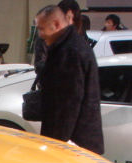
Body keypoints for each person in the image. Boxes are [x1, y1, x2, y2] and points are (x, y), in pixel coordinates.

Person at [34, 5, 104, 154]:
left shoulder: (70, 51)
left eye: (42, 28)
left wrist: (57, 144)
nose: (40, 34)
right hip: (76, 139)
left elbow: (69, 102)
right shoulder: (67, 46)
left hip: (74, 143)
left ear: (56, 24)